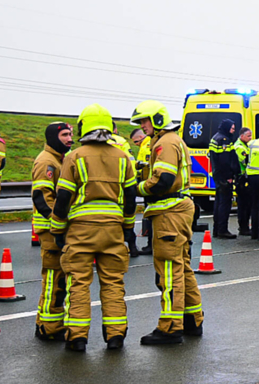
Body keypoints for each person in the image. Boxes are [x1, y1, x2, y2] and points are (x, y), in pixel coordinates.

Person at [50, 105, 136, 353]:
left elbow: (64, 197)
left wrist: (57, 230)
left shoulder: (74, 157)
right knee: (113, 283)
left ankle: (77, 338)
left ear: (82, 127)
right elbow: (130, 197)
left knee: (78, 283)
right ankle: (116, 336)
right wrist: (128, 228)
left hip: (80, 230)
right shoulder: (122, 157)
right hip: (113, 229)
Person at [130, 99, 203, 344]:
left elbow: (163, 180)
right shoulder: (169, 141)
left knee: (169, 271)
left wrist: (137, 188)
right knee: (182, 266)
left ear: (158, 120)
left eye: (145, 121)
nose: (142, 126)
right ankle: (193, 320)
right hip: (177, 210)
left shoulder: (165, 143)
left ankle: (170, 328)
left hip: (169, 211)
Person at [31, 122, 73, 342]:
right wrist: (57, 224)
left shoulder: (59, 159)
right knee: (54, 280)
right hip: (50, 230)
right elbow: (41, 197)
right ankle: (49, 327)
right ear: (53, 138)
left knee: (59, 280)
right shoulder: (47, 161)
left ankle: (48, 322)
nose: (69, 138)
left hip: (56, 229)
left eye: (71, 134)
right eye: (65, 135)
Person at [207, 118, 238, 239]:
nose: (233, 131)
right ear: (227, 127)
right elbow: (225, 161)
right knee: (224, 204)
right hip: (224, 177)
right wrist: (229, 177)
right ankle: (222, 230)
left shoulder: (216, 137)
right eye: (232, 128)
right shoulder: (223, 140)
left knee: (218, 203)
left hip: (218, 175)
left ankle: (217, 229)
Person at [233, 126, 252, 236]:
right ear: (242, 136)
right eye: (248, 136)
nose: (250, 138)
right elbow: (245, 161)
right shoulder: (239, 147)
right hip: (241, 178)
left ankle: (244, 226)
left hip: (243, 178)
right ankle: (243, 227)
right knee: (244, 205)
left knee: (245, 204)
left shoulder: (244, 145)